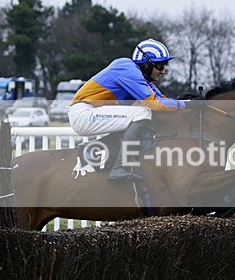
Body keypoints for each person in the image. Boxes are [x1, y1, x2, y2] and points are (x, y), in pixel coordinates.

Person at [68, 38, 189, 181]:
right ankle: (120, 167)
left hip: (91, 112)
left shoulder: (140, 76)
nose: (162, 71)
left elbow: (162, 99)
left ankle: (105, 151)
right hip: (84, 114)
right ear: (146, 64)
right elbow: (156, 104)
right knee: (143, 112)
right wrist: (187, 105)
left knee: (142, 110)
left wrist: (186, 102)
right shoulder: (127, 68)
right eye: (160, 66)